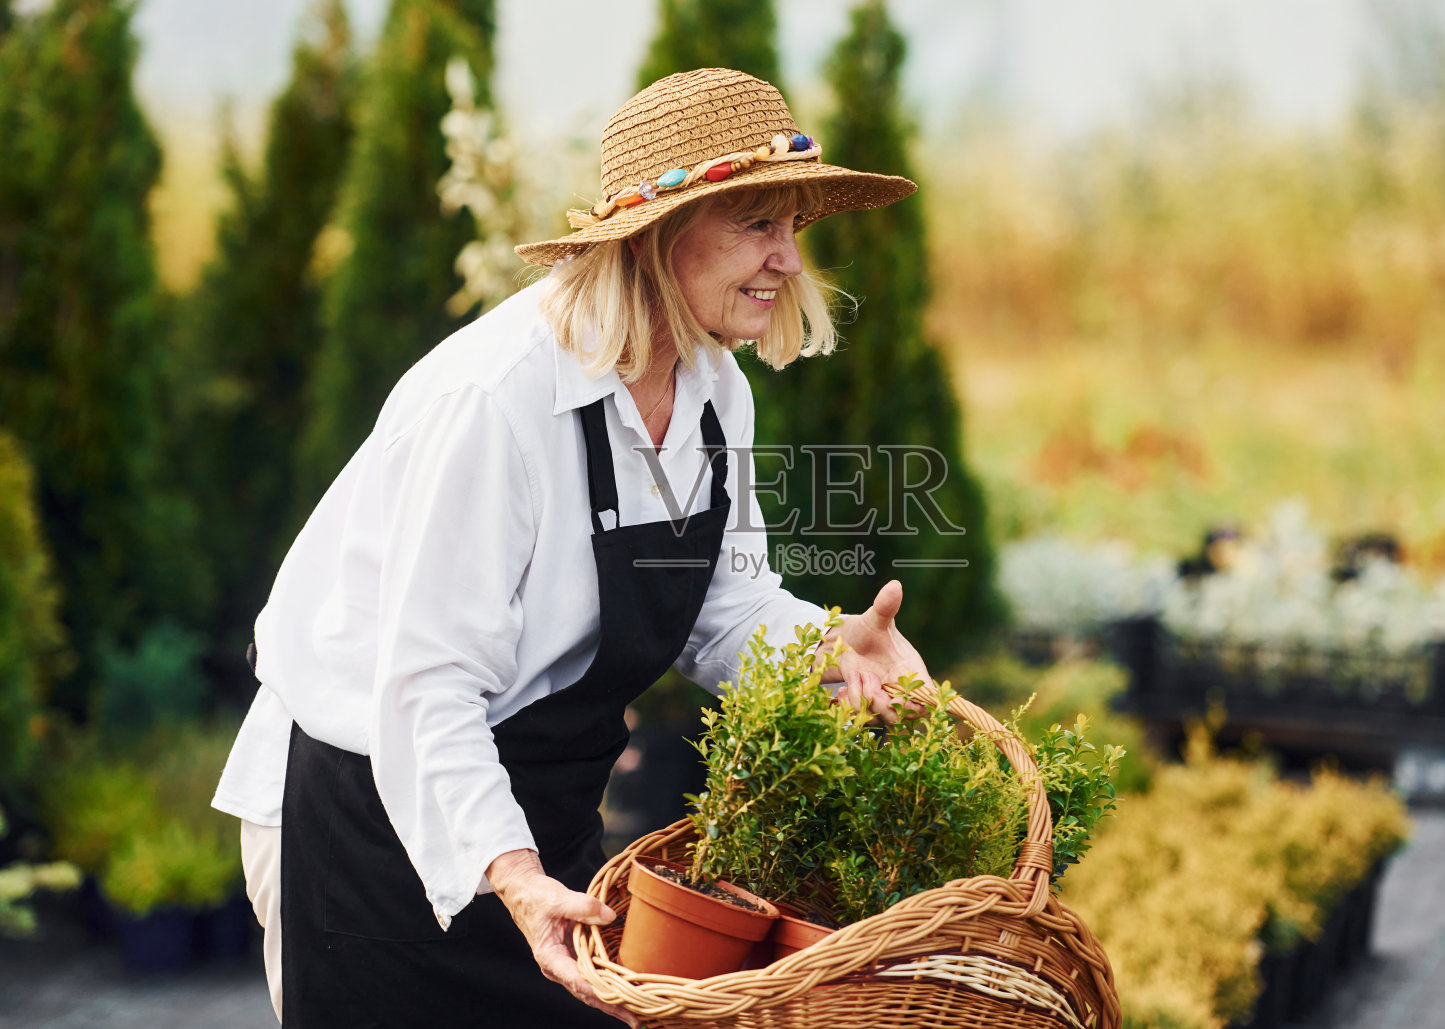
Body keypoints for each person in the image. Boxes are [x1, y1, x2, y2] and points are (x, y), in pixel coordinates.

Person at [212, 67, 931, 1028]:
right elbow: (424, 684)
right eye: (759, 225)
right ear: (662, 234)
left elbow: (720, 607)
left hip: (540, 804)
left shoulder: (717, 391)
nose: (790, 261)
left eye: (794, 228)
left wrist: (827, 646)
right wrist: (510, 873)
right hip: (371, 818)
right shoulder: (496, 400)